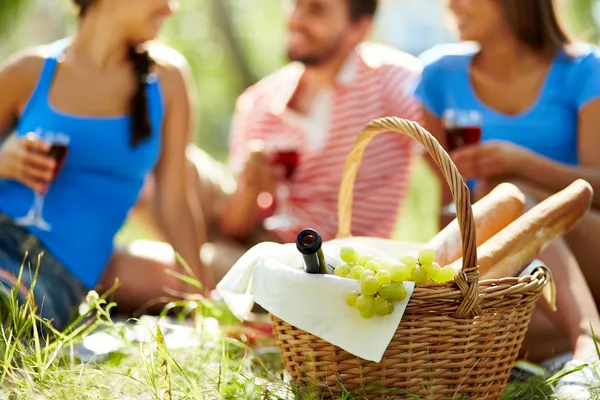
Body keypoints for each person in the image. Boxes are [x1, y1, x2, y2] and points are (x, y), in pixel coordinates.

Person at [119, 0, 425, 301]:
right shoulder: (260, 101)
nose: (297, 18)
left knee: (124, 270)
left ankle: (205, 278)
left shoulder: (392, 81)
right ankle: (203, 276)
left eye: (316, 9)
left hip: (314, 266)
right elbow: (235, 225)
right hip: (254, 234)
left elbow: (449, 161)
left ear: (358, 28)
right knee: (143, 158)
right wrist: (251, 189)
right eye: (295, 5)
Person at [0, 0, 208, 330]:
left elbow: (176, 205)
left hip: (56, 276)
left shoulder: (166, 81)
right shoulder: (27, 71)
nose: (171, 9)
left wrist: (202, 306)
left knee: (8, 308)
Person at [414, 0, 600, 363]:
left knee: (511, 194)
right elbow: (450, 208)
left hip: (586, 241)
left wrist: (520, 164)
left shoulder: (583, 70)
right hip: (514, 274)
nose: (450, 5)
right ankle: (580, 332)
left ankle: (586, 341)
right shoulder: (439, 76)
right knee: (470, 337)